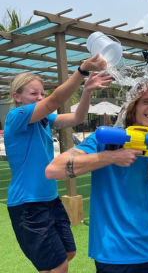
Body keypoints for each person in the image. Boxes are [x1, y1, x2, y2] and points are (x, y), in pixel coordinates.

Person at [46, 80, 148, 273]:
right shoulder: (104, 140)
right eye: (146, 101)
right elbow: (53, 169)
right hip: (113, 255)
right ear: (134, 106)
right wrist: (111, 157)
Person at [5, 54, 110, 273]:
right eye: (33, 93)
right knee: (59, 266)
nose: (39, 97)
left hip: (50, 200)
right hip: (28, 204)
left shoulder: (44, 120)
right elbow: (54, 100)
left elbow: (77, 118)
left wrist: (87, 91)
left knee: (68, 252)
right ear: (17, 96)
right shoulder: (16, 116)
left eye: (41, 93)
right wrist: (82, 71)